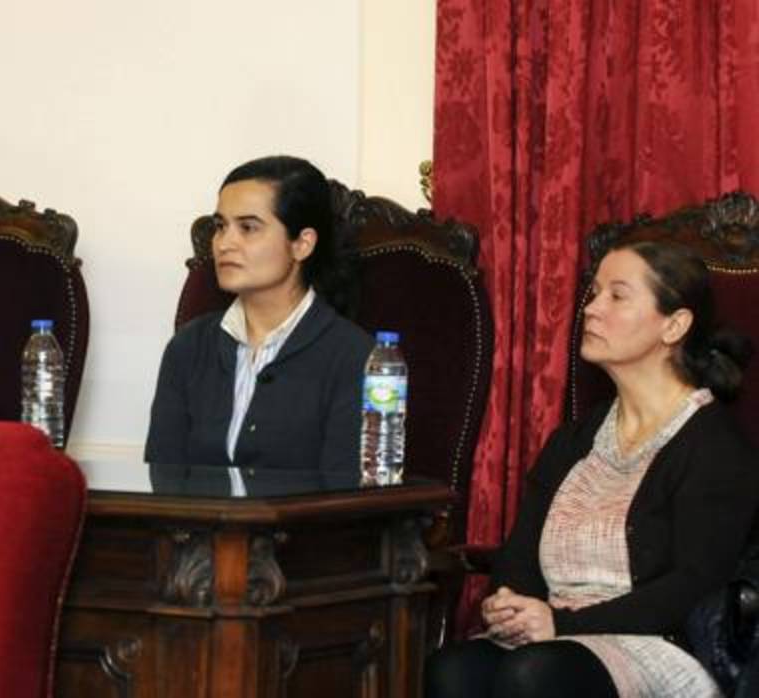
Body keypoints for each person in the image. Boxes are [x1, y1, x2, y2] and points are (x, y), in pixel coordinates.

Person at [426, 241, 759, 698]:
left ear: (675, 325)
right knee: (455, 670)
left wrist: (562, 623)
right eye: (595, 292)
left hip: (658, 643)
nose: (592, 309)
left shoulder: (712, 444)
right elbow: (519, 554)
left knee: (535, 674)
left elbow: (695, 585)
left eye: (617, 296)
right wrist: (508, 602)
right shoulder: (574, 441)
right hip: (556, 637)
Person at [144, 155, 373, 488]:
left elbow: (344, 500)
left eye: (248, 228)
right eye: (220, 226)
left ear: (302, 244)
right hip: (194, 537)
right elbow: (164, 479)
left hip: (304, 539)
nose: (224, 243)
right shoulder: (188, 347)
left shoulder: (354, 356)